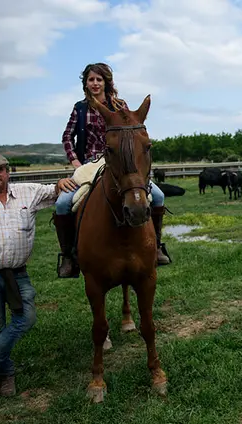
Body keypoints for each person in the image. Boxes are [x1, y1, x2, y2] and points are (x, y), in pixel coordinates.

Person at [0, 154, 74, 396]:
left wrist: (61, 182)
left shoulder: (28, 192)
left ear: (8, 172)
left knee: (26, 318)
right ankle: (6, 376)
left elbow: (56, 190)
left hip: (18, 273)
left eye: (0, 169)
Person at [54, 62, 170, 278]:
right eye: (91, 79)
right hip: (88, 164)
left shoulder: (120, 105)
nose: (95, 83)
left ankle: (156, 247)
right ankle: (69, 256)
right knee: (62, 203)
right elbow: (67, 137)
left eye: (99, 79)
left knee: (158, 195)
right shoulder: (80, 108)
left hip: (118, 163)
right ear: (86, 84)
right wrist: (76, 162)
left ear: (107, 82)